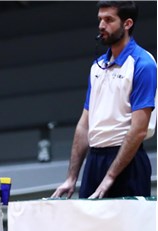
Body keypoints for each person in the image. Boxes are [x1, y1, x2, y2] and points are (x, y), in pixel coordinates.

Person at [52, 1, 156, 199]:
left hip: (128, 163)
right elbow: (84, 124)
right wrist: (72, 177)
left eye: (109, 20)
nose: (101, 25)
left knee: (126, 221)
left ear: (127, 24)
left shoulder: (143, 64)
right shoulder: (97, 66)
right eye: (100, 19)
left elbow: (139, 129)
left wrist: (110, 176)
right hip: (95, 161)